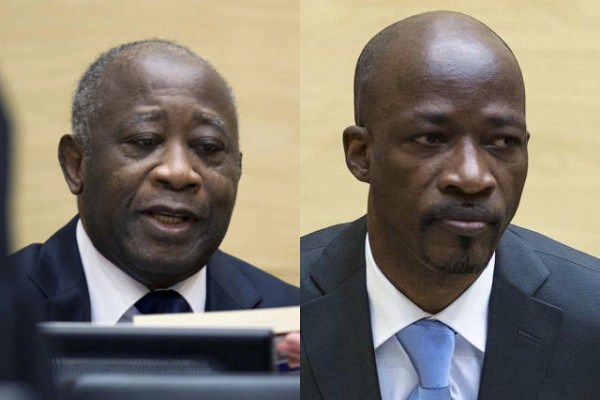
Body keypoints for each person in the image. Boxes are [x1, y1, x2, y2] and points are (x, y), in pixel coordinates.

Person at [300, 11, 600, 400]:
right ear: (361, 154)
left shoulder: (591, 320)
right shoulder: (279, 314)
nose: (473, 177)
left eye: (502, 142)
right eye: (431, 139)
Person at [9, 40, 298, 338]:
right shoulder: (10, 305)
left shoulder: (292, 320)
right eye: (144, 141)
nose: (178, 172)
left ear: (238, 169)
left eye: (208, 147)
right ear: (75, 164)